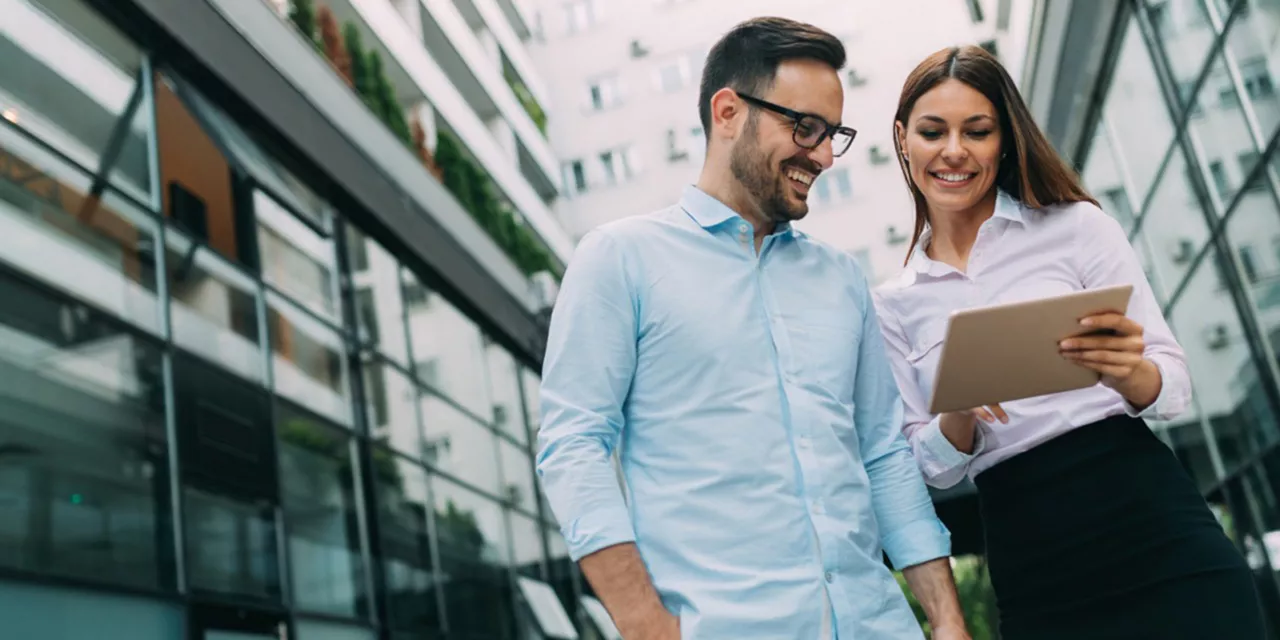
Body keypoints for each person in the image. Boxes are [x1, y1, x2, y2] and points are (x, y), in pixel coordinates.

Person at [537, 16, 971, 640]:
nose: (822, 155)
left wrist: (948, 620)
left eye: (833, 135)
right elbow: (572, 445)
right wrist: (645, 624)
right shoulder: (620, 259)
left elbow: (882, 456)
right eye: (805, 128)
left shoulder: (842, 279)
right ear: (728, 111)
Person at [874, 44, 1269, 639]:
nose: (954, 151)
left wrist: (1126, 372)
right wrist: (957, 410)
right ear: (904, 139)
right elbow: (928, 469)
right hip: (1032, 554)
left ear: (1004, 140)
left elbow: (1175, 383)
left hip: (1150, 518)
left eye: (976, 131)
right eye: (934, 132)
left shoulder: (1075, 227)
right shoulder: (894, 303)